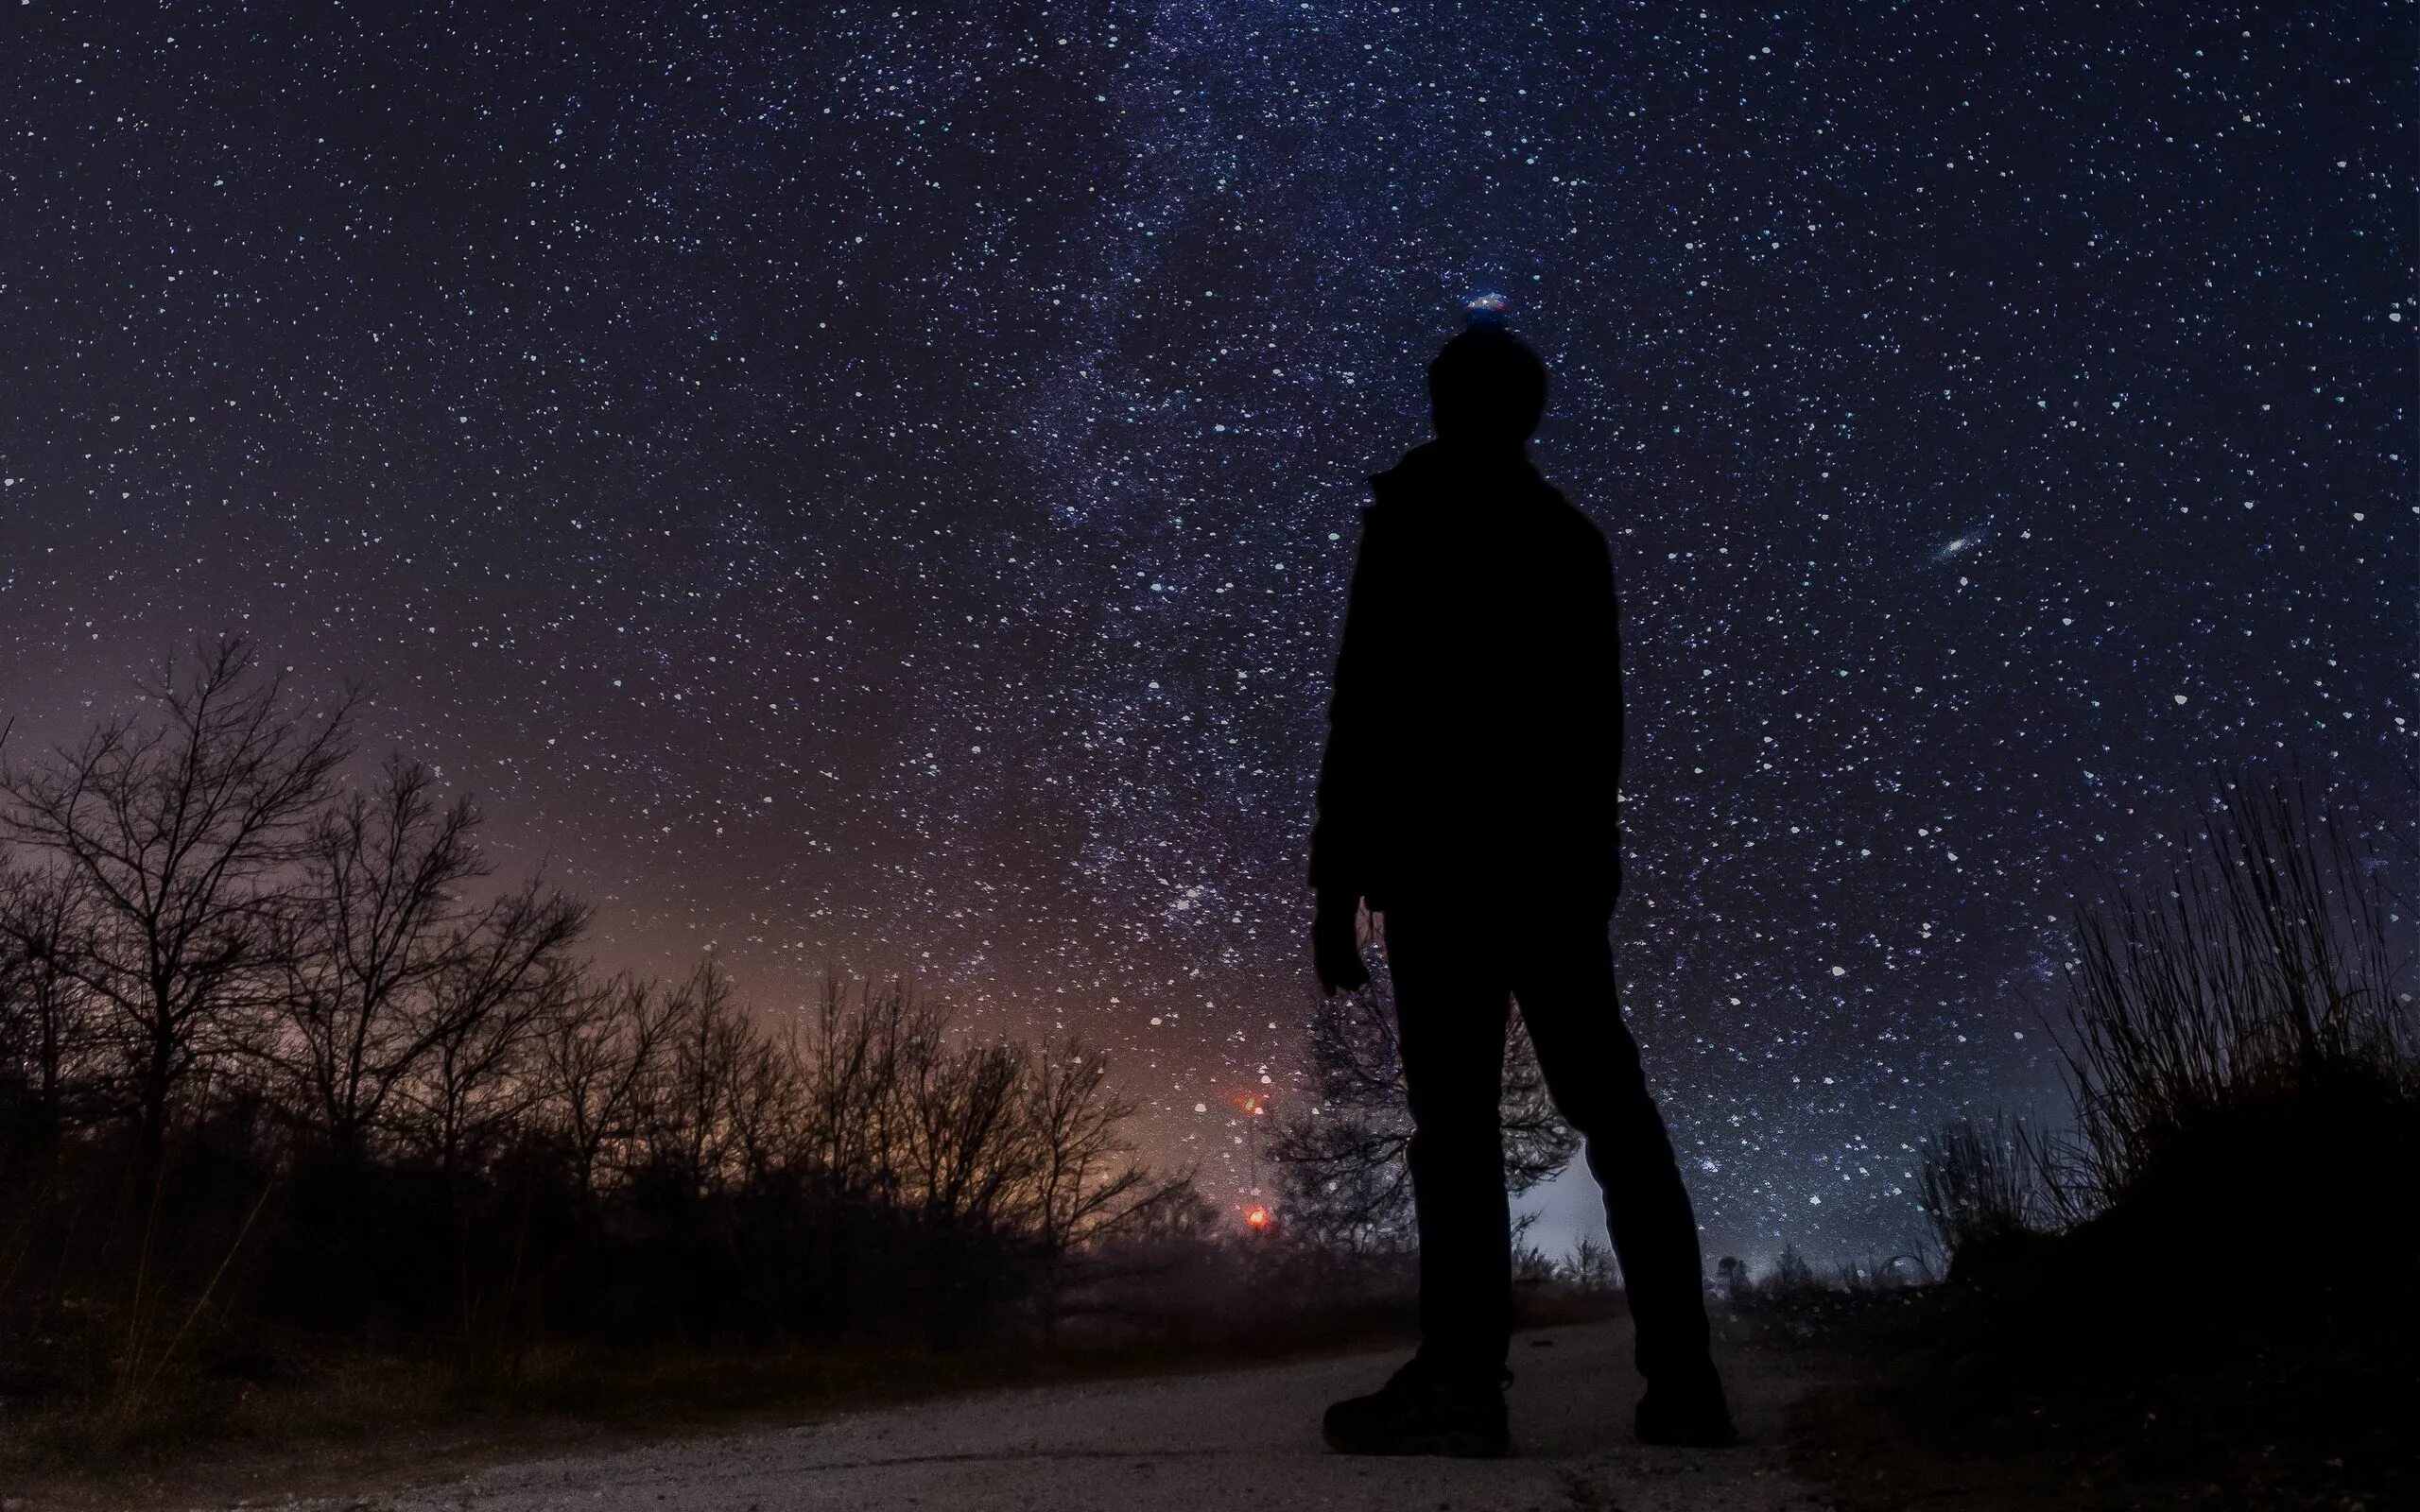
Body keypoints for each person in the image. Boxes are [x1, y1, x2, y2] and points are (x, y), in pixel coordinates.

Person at [1307, 309, 1734, 1456]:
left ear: (1459, 404)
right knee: (1612, 1119)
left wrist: (1333, 885)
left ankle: (1460, 1383)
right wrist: (1589, 871)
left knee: (1456, 1131)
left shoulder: (1416, 517)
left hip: (1447, 874)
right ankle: (1684, 1384)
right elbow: (1597, 728)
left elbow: (1367, 706)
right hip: (1544, 875)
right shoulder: (1565, 535)